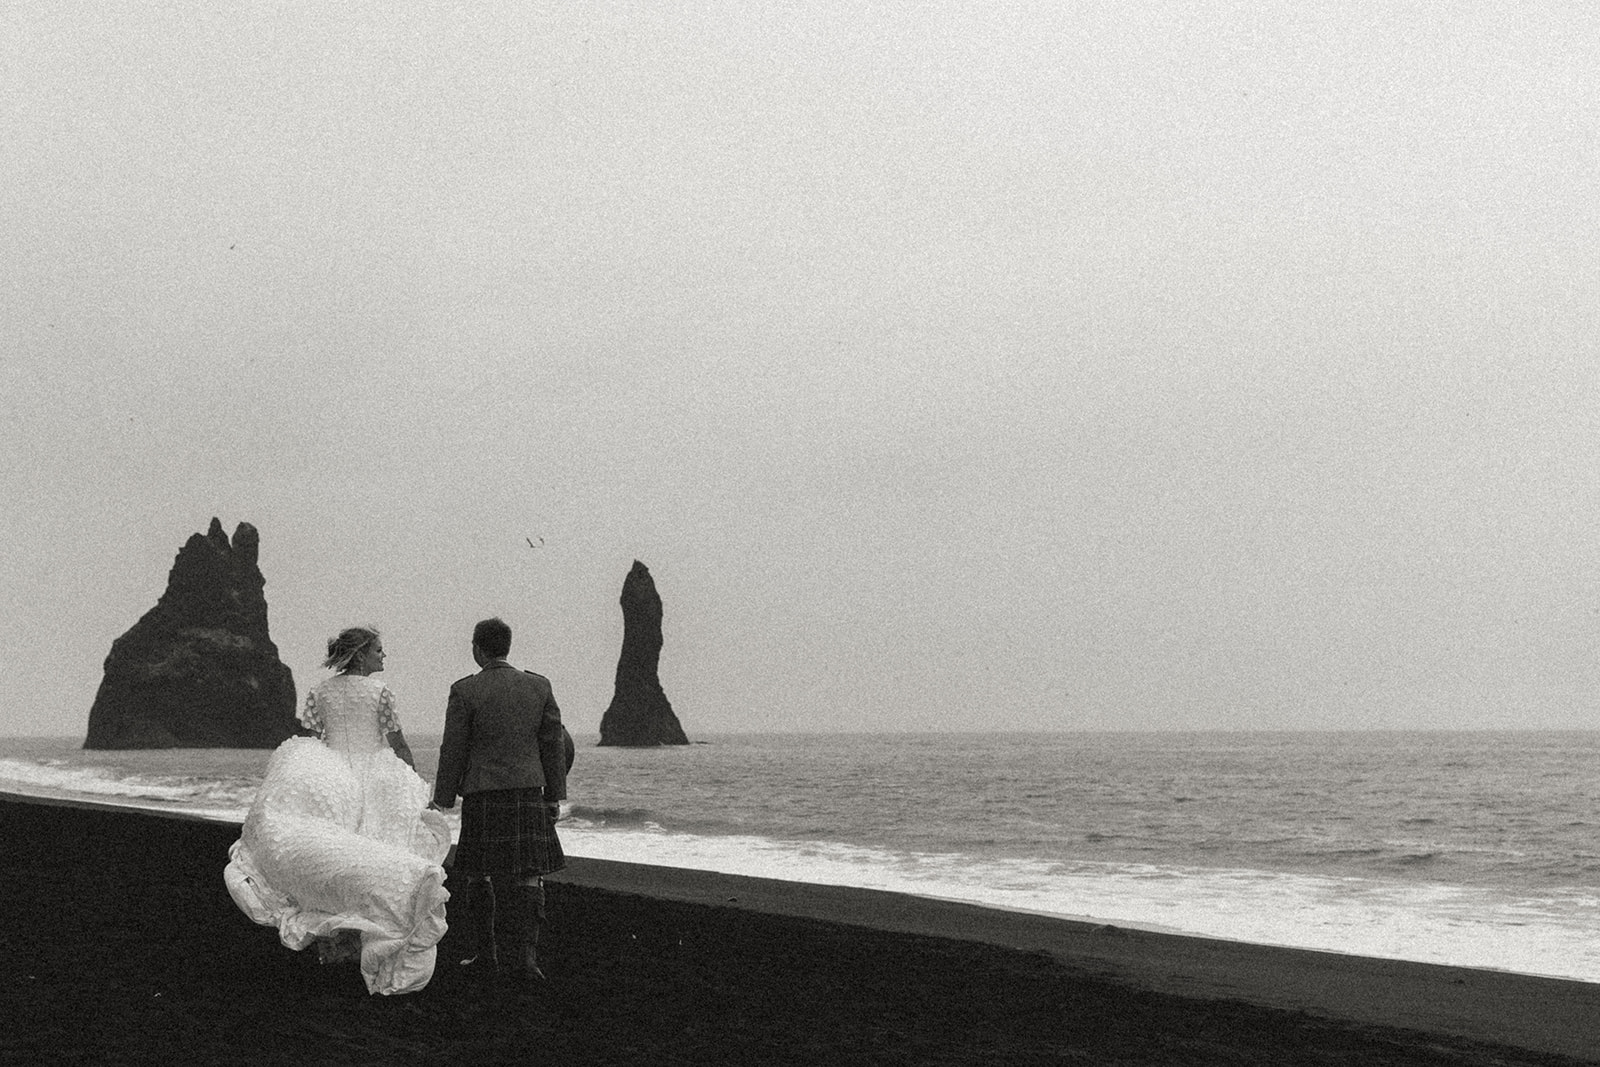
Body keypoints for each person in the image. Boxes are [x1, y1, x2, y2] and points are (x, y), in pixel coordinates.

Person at [224, 627, 451, 995]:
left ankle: (334, 943)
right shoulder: (380, 692)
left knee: (337, 860)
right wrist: (417, 785)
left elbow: (319, 739)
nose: (383, 655)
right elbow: (399, 744)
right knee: (376, 852)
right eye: (378, 649)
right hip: (377, 777)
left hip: (331, 777)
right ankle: (365, 938)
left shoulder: (321, 691)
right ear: (361, 654)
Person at [432, 617, 568, 982]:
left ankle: (486, 954)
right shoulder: (538, 686)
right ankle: (526, 960)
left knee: (479, 875)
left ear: (478, 649)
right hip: (528, 793)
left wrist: (443, 798)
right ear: (507, 647)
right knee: (529, 876)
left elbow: (453, 749)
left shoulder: (465, 691)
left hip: (483, 795)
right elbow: (552, 745)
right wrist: (555, 796)